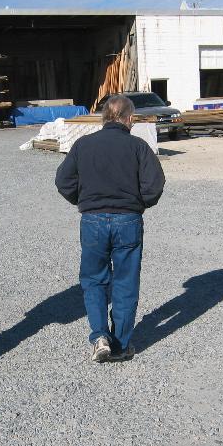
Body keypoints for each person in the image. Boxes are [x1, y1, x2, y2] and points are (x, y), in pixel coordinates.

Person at [55, 95, 165, 363]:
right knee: (125, 282)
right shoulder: (138, 147)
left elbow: (63, 180)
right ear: (129, 119)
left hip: (92, 220)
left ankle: (99, 335)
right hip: (127, 219)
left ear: (104, 118)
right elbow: (155, 185)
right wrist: (138, 203)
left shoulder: (83, 145)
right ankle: (121, 344)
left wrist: (83, 201)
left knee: (94, 280)